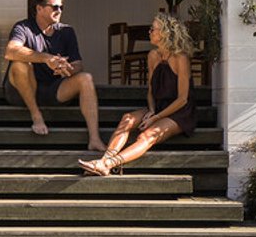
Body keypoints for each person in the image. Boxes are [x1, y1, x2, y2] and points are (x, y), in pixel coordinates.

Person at [80, 10, 196, 175]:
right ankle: (103, 161)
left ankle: (110, 164)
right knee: (127, 119)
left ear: (164, 33)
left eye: (152, 29)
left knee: (147, 135)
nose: (149, 32)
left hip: (180, 112)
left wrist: (156, 118)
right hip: (159, 106)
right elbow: (150, 91)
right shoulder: (153, 56)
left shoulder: (180, 58)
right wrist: (152, 110)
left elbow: (183, 99)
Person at [3, 0, 102, 148]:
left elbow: (78, 64)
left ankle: (95, 138)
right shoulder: (23, 27)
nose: (59, 11)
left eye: (61, 7)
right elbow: (10, 51)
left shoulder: (66, 31)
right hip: (22, 91)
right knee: (20, 63)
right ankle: (36, 115)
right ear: (39, 8)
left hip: (54, 88)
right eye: (55, 7)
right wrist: (45, 58)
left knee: (86, 78)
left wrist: (66, 68)